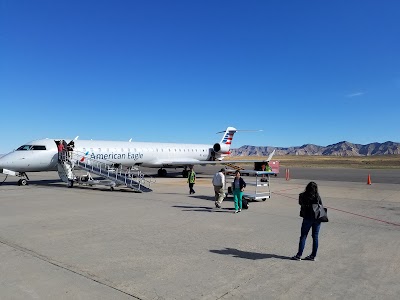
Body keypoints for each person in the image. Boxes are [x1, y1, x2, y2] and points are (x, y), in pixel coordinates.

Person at [292, 181, 323, 261]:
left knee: (303, 236)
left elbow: (300, 203)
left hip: (307, 218)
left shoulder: (302, 195)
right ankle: (313, 255)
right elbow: (321, 206)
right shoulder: (317, 196)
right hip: (316, 218)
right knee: (315, 237)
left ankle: (299, 255)